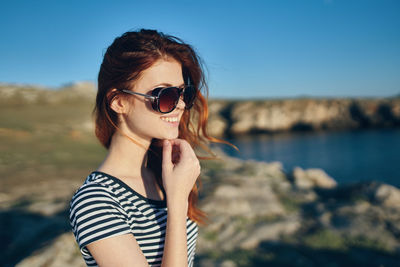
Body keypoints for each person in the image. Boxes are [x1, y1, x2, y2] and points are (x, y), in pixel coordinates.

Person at [69, 29, 231, 266]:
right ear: (119, 101)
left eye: (183, 93)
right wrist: (177, 204)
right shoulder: (96, 201)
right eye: (165, 95)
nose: (180, 106)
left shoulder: (162, 173)